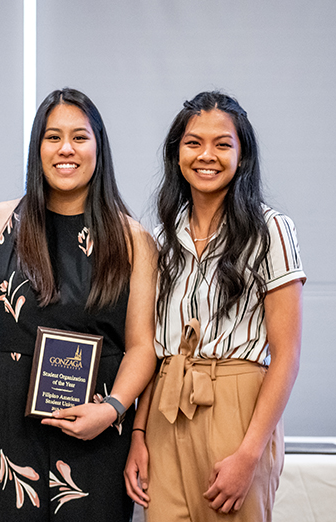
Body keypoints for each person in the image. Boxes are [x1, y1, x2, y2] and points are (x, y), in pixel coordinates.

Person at [0, 88, 158, 521]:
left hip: (99, 427)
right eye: (52, 137)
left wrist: (112, 408)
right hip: (7, 419)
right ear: (37, 148)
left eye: (79, 137)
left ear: (99, 146)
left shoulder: (134, 240)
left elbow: (142, 347)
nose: (66, 149)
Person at [124, 91, 306, 522]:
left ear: (242, 156)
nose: (207, 155)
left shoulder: (271, 231)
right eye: (193, 143)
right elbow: (153, 350)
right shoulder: (159, 240)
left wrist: (249, 454)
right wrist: (138, 435)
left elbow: (287, 355)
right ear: (177, 154)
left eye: (222, 144)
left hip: (238, 412)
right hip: (166, 411)